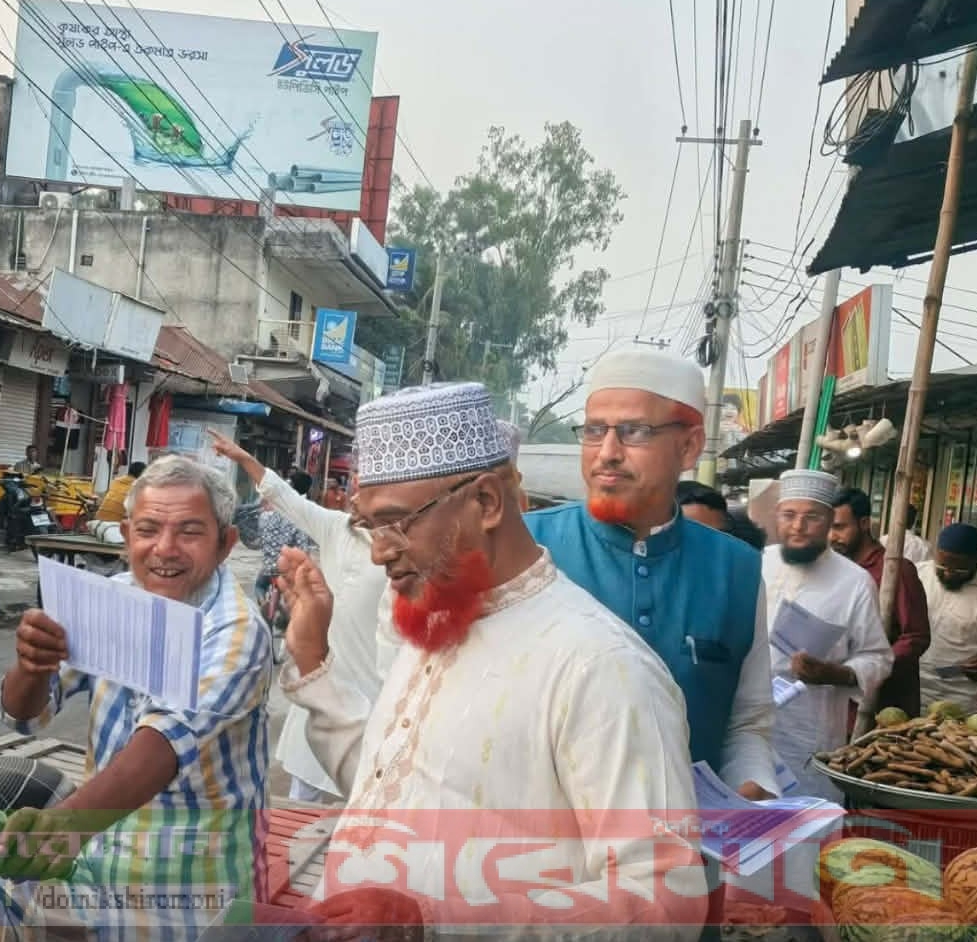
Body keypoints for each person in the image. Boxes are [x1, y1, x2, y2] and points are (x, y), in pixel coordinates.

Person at [277, 382, 703, 938]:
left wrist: (434, 922)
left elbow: (664, 902)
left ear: (485, 503)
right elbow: (385, 788)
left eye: (397, 522)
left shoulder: (602, 667)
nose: (379, 551)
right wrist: (314, 664)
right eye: (368, 526)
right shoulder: (438, 618)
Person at [0, 455, 273, 940]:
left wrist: (64, 826)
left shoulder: (238, 629)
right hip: (101, 864)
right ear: (126, 536)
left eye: (189, 532)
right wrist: (32, 665)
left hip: (193, 887)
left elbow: (163, 744)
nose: (165, 549)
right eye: (147, 530)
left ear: (225, 544)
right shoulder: (112, 597)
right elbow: (24, 716)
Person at [526, 350, 778, 798]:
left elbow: (746, 723)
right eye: (594, 430)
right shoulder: (527, 548)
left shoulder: (736, 569)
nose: (607, 453)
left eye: (635, 432)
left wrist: (752, 789)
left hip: (687, 836)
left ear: (689, 447)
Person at [210, 429, 392, 805]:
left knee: (361, 795)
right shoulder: (335, 527)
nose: (353, 493)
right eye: (354, 482)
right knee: (302, 791)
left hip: (375, 686)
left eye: (364, 485)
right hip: (324, 672)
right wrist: (244, 459)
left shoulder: (401, 549)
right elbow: (285, 497)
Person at [765, 470, 892, 801]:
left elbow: (878, 657)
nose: (798, 526)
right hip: (749, 728)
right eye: (789, 515)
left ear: (829, 521)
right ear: (777, 516)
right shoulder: (756, 564)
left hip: (810, 730)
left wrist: (834, 673)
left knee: (806, 819)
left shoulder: (855, 582)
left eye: (812, 517)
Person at [829, 487, 930, 720]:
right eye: (828, 528)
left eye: (839, 527)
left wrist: (869, 669)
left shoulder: (896, 570)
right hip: (839, 700)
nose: (832, 537)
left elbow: (915, 637)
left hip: (883, 706)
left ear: (864, 523)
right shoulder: (835, 569)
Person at [917, 523, 977, 712]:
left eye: (959, 569)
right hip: (914, 687)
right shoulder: (918, 575)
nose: (948, 573)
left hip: (962, 698)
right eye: (942, 565)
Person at [234, 467, 317, 604]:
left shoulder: (267, 515)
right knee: (295, 594)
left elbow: (259, 536)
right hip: (290, 568)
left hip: (269, 566)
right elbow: (303, 546)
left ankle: (262, 600)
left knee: (260, 586)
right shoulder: (303, 516)